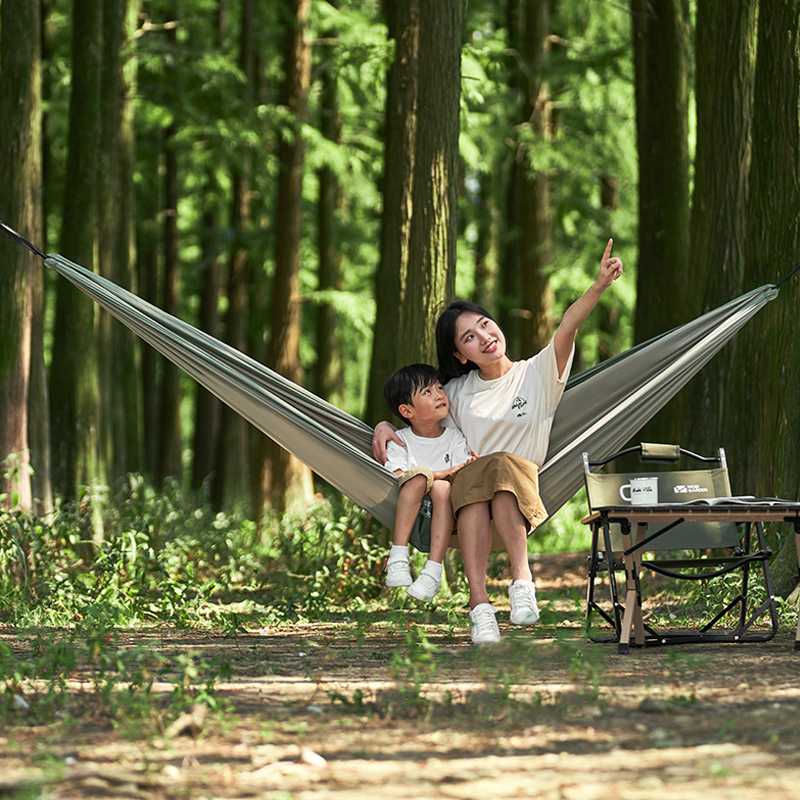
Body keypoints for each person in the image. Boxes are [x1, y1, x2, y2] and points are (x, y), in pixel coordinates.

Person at [374, 239, 623, 643]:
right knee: (478, 479)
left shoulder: (537, 373)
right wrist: (384, 428)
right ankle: (481, 607)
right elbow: (420, 415)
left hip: (520, 487)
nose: (485, 337)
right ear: (460, 356)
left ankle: (520, 581)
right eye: (469, 337)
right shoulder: (455, 392)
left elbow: (567, 326)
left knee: (502, 466)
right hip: (469, 493)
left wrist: (598, 287)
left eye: (485, 324)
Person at [382, 363, 475, 600]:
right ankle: (398, 559)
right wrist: (441, 473)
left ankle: (433, 571)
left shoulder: (454, 438)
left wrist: (439, 476)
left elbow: (462, 472)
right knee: (418, 477)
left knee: (441, 486)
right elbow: (398, 475)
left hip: (445, 513)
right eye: (427, 392)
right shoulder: (399, 441)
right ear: (407, 411)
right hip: (410, 513)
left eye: (439, 388)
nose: (439, 394)